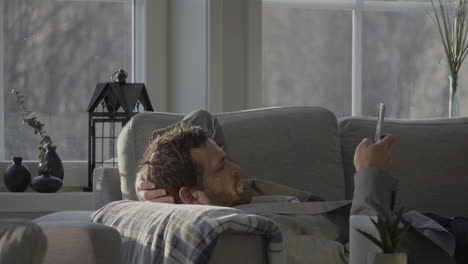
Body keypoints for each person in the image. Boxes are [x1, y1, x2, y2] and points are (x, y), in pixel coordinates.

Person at [136, 110, 455, 263]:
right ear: (191, 195)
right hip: (442, 250)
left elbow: (204, 121)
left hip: (432, 227)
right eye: (222, 167)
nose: (236, 170)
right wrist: (371, 177)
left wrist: (147, 175)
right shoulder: (254, 237)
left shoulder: (233, 200)